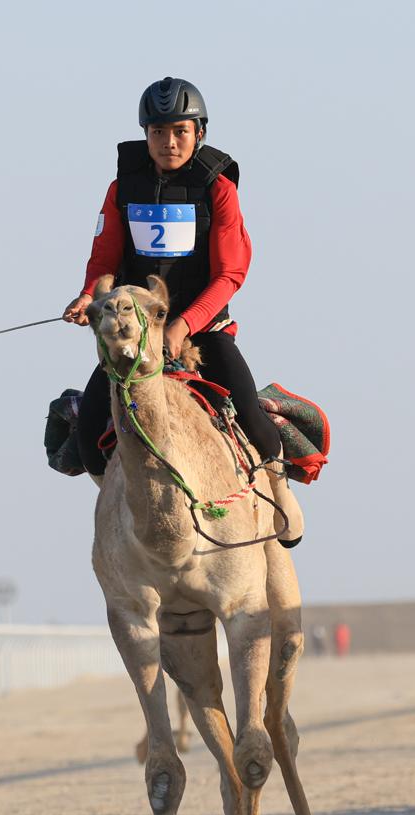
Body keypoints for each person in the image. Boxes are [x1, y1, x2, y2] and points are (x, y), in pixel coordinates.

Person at [62, 77, 302, 544]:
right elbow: (104, 260)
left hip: (204, 328)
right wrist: (88, 296)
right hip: (140, 331)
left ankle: (278, 485)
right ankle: (122, 504)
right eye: (157, 132)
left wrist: (184, 325)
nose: (168, 143)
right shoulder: (121, 188)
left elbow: (230, 274)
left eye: (180, 132)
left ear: (198, 133)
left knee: (249, 411)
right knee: (91, 425)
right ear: (145, 134)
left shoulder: (218, 189)